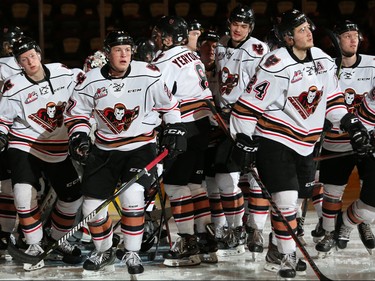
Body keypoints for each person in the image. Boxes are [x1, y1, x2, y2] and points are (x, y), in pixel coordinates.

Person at [229, 9, 371, 279]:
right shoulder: (274, 65)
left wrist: (350, 123)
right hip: (275, 139)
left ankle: (276, 245)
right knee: (286, 202)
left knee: (294, 207)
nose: (309, 32)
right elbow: (246, 109)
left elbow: (333, 101)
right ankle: (287, 255)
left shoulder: (323, 60)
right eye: (301, 29)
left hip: (307, 143)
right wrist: (243, 139)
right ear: (288, 37)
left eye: (308, 27)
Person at [64, 30, 184, 274]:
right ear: (107, 53)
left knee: (133, 196)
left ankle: (131, 252)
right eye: (118, 50)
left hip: (140, 146)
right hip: (104, 148)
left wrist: (175, 128)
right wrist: (78, 135)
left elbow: (169, 105)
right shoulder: (89, 80)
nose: (124, 55)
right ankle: (104, 250)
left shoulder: (148, 74)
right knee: (91, 208)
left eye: (128, 49)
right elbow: (77, 113)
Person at [0, 36, 84, 271]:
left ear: (39, 53)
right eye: (24, 59)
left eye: (33, 56)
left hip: (58, 145)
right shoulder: (14, 85)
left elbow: (89, 85)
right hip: (25, 142)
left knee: (73, 197)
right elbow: (4, 117)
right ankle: (35, 244)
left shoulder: (64, 72)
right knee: (23, 191)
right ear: (19, 64)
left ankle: (55, 239)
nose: (30, 62)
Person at [151, 15, 217, 266]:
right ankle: (205, 238)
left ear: (169, 37)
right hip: (201, 124)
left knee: (176, 186)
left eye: (160, 35)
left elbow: (160, 98)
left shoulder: (164, 61)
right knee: (194, 184)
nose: (157, 40)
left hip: (183, 126)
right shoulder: (191, 54)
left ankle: (187, 243)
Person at [209, 4, 269, 257]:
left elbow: (264, 85)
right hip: (225, 120)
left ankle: (256, 228)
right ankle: (236, 228)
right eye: (235, 23)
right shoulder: (221, 45)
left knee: (257, 177)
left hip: (251, 119)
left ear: (251, 28)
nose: (238, 29)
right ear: (229, 22)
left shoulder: (259, 49)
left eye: (244, 26)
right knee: (225, 177)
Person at [315, 20, 375, 255]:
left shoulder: (372, 64)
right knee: (332, 192)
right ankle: (330, 231)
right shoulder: (325, 67)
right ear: (336, 40)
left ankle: (361, 224)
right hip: (336, 140)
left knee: (369, 192)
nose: (353, 40)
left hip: (367, 141)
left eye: (356, 35)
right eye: (347, 35)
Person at [0, 25, 25, 257]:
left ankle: (8, 233)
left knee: (12, 186)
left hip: (15, 132)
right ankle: (7, 233)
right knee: (9, 186)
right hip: (9, 129)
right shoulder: (5, 65)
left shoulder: (25, 63)